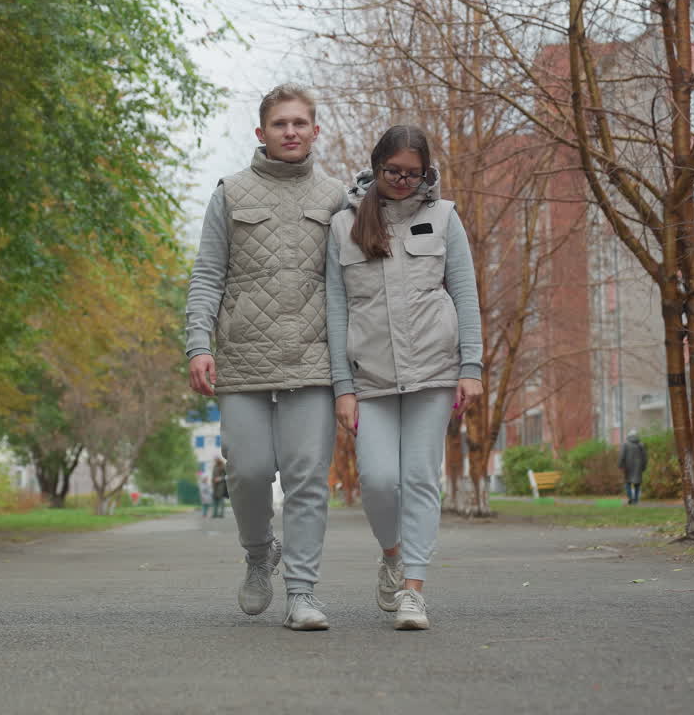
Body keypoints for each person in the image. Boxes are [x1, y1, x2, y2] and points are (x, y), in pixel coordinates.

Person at [185, 83, 345, 631]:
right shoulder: (230, 192)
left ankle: (302, 593)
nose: (291, 132)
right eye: (280, 124)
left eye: (300, 123)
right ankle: (259, 554)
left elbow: (355, 282)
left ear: (315, 131)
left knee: (306, 478)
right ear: (262, 132)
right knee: (249, 472)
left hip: (315, 358)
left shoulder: (337, 197)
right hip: (243, 358)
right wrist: (198, 344)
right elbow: (207, 275)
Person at [326, 125, 484, 631]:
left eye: (413, 173)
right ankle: (392, 555)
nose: (402, 180)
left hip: (433, 372)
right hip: (368, 377)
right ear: (375, 166)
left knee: (419, 478)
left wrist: (471, 368)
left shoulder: (443, 217)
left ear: (426, 173)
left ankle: (413, 588)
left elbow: (465, 293)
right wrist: (342, 388)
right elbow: (335, 309)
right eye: (393, 170)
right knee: (377, 479)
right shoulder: (343, 226)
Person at [619, 430, 648, 504]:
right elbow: (645, 457)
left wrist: (620, 465)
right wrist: (644, 466)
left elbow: (622, 456)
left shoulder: (625, 445)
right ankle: (636, 499)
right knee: (637, 484)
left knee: (627, 483)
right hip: (638, 468)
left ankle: (630, 498)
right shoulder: (641, 445)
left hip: (628, 467)